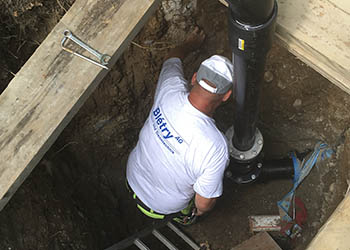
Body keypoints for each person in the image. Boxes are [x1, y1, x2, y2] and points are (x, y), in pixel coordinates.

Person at [126, 27, 234, 225]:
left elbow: (172, 57)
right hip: (162, 208)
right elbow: (204, 203)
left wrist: (190, 44)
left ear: (194, 78)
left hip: (132, 176)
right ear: (226, 96)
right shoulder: (215, 147)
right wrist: (199, 212)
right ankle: (186, 219)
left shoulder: (170, 87)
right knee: (192, 208)